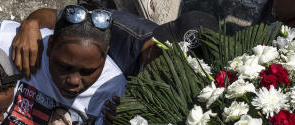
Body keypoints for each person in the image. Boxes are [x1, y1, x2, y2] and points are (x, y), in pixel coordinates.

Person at [12, 7, 219, 78]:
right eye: (161, 53)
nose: (160, 66)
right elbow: (58, 17)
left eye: (174, 66)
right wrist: (31, 24)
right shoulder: (118, 28)